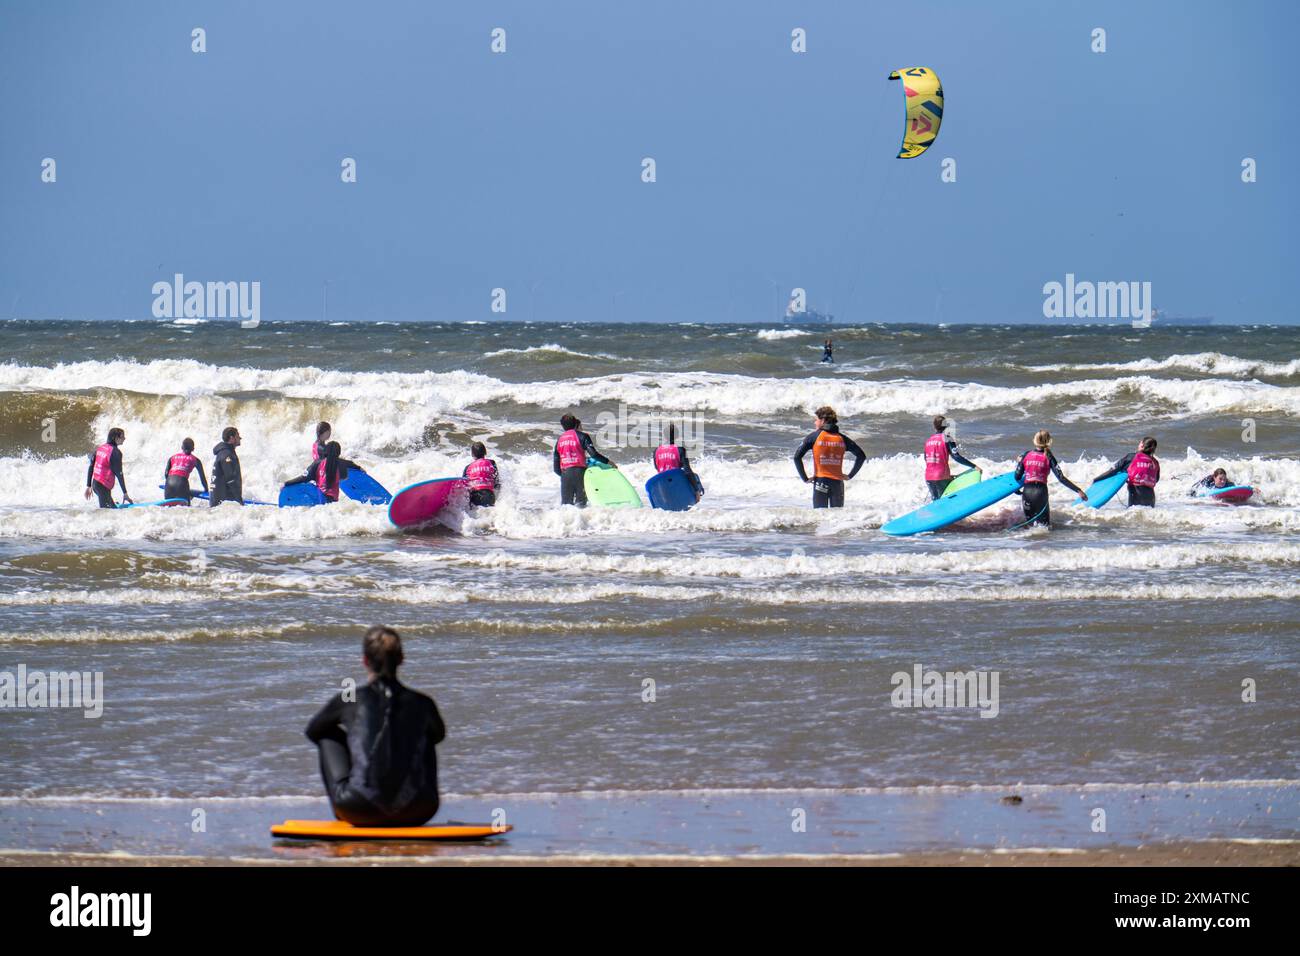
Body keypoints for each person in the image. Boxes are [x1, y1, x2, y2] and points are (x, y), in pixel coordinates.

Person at [305, 626, 446, 827]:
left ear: (365, 661)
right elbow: (439, 735)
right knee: (426, 736)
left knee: (326, 734)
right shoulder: (423, 702)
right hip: (418, 810)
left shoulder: (350, 699)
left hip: (358, 809)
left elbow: (313, 731)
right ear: (401, 659)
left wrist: (353, 742)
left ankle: (341, 810)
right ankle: (410, 794)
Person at [793, 405, 866, 508]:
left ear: (823, 420)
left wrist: (805, 478)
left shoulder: (814, 437)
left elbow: (797, 457)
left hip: (820, 482)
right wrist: (850, 475)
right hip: (837, 484)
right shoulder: (842, 438)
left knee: (820, 515)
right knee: (837, 517)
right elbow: (861, 456)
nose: (815, 422)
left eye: (816, 420)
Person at [1013, 430, 1086, 527]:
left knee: (1030, 527)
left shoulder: (1026, 455)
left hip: (1027, 492)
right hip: (1041, 493)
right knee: (1044, 527)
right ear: (1048, 441)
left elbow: (1017, 477)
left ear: (1034, 440)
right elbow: (1061, 477)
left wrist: (1017, 489)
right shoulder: (1048, 457)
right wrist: (1078, 490)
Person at [553, 413, 614, 508]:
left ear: (563, 426)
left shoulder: (559, 440)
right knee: (581, 506)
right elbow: (593, 454)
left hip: (565, 474)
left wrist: (567, 476)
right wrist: (608, 462)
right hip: (580, 473)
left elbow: (556, 469)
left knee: (565, 507)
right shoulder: (583, 436)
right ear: (575, 423)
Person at [1094, 436, 1160, 507]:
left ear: (1142, 445)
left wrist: (1096, 479)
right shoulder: (1155, 462)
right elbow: (1156, 480)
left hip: (1136, 497)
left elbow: (1113, 471)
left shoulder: (1131, 457)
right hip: (1151, 498)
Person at [924, 415, 979, 500]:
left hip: (928, 476)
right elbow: (956, 456)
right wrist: (974, 466)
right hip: (941, 476)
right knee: (946, 501)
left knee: (936, 501)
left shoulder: (928, 441)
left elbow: (926, 459)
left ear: (934, 426)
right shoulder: (947, 438)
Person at [284, 440, 357, 503]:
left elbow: (303, 478)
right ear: (339, 453)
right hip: (333, 501)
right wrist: (359, 468)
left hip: (318, 498)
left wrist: (287, 483)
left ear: (326, 451)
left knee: (309, 485)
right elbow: (351, 469)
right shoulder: (343, 464)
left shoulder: (317, 463)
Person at [653, 423, 704, 501]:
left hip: (663, 487)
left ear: (664, 436)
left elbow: (657, 468)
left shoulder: (656, 451)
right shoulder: (679, 450)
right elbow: (688, 471)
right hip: (677, 485)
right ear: (677, 436)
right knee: (694, 476)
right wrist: (696, 491)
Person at [84, 427, 132, 508]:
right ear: (116, 438)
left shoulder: (100, 448)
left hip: (95, 484)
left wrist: (89, 485)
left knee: (112, 509)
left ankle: (112, 504)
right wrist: (125, 493)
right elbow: (119, 474)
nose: (124, 438)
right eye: (122, 436)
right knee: (105, 514)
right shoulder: (116, 453)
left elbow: (91, 466)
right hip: (103, 487)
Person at [163, 438, 209, 504]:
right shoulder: (195, 460)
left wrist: (169, 486)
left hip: (169, 484)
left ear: (182, 447)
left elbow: (166, 474)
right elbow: (202, 478)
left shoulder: (172, 457)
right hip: (182, 484)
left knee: (168, 507)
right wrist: (206, 490)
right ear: (193, 449)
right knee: (185, 509)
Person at [210, 426, 244, 507]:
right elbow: (230, 479)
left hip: (222, 500)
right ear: (232, 438)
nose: (240, 438)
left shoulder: (225, 452)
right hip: (224, 502)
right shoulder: (226, 455)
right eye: (237, 436)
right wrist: (239, 500)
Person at [463, 441, 500, 507]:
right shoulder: (492, 463)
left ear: (472, 454)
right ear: (485, 452)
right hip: (490, 496)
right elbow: (496, 480)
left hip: (475, 497)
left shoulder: (468, 467)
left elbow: (464, 485)